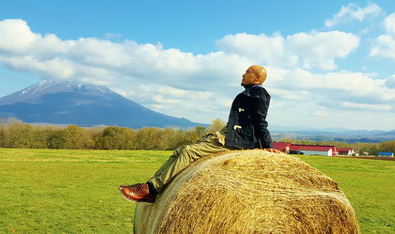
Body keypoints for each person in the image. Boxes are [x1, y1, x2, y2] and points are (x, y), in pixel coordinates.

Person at [119, 65, 278, 203]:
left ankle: (152, 189)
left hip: (237, 142)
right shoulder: (251, 92)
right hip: (230, 135)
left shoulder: (258, 92)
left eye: (247, 71)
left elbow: (260, 121)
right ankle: (149, 188)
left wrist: (268, 146)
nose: (243, 74)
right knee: (181, 151)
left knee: (188, 152)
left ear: (257, 77)